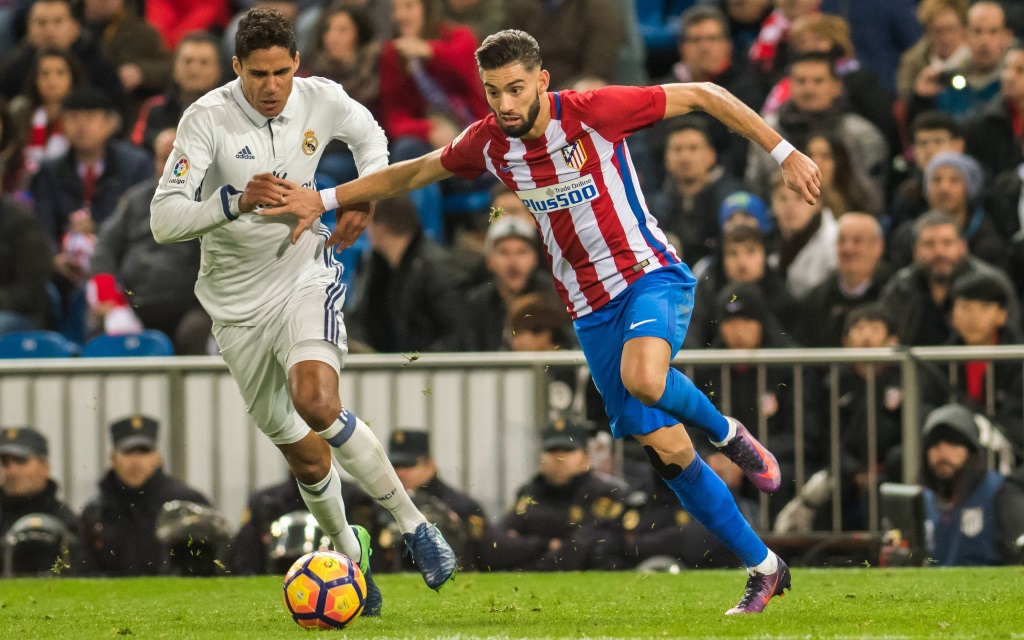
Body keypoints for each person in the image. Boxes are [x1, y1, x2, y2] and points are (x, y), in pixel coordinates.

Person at [267, 29, 823, 614]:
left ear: (542, 82)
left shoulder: (594, 113)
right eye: (491, 92)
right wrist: (326, 199)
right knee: (667, 450)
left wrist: (785, 153)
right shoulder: (488, 143)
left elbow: (708, 93)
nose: (504, 104)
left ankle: (730, 434)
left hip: (648, 276)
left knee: (645, 379)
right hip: (588, 309)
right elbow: (413, 173)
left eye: (514, 89)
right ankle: (765, 566)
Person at [148, 7, 456, 613]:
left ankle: (416, 525)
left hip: (303, 272)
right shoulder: (205, 117)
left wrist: (363, 200)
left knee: (318, 401)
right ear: (236, 67)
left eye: (281, 72)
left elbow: (372, 139)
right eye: (257, 74)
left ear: (297, 65)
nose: (270, 87)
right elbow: (164, 221)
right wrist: (233, 202)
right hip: (234, 304)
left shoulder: (323, 98)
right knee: (304, 452)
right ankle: (351, 553)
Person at [90, 129, 211, 354]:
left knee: (195, 331)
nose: (169, 165)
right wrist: (107, 294)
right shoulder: (137, 199)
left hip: (190, 305)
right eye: (164, 158)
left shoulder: (210, 201)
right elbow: (105, 244)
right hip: (136, 304)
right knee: (99, 325)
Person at [480, 421, 626, 572]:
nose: (559, 458)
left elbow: (579, 554)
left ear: (586, 458)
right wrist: (545, 545)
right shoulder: (529, 493)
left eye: (568, 450)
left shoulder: (602, 494)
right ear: (540, 457)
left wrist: (522, 556)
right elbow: (493, 546)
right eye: (552, 450)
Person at [79, 416, 212, 576]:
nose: (136, 461)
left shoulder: (189, 503)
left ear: (157, 458)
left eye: (144, 452)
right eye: (128, 452)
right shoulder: (95, 513)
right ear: (113, 458)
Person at [384, 429, 488, 570]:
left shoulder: (460, 505)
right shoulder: (382, 504)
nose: (400, 472)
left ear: (430, 464)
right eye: (395, 465)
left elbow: (482, 556)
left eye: (409, 465)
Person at [0, 427, 79, 575]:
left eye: (21, 461)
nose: (12, 470)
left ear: (45, 467)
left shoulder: (67, 522)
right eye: (5, 463)